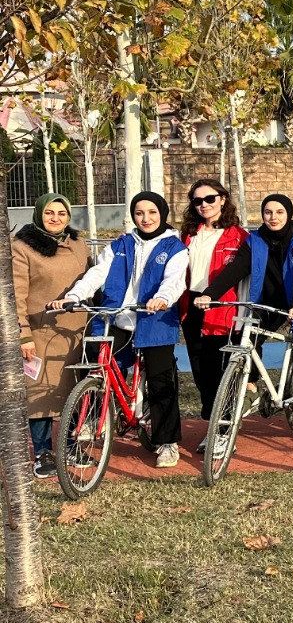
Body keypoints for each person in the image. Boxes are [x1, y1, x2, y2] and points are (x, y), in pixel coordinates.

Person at [53, 193, 188, 468]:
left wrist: (163, 298)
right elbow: (97, 274)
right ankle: (93, 415)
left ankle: (167, 442)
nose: (146, 218)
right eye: (139, 213)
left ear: (162, 213)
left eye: (152, 212)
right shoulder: (121, 244)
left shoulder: (175, 247)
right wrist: (75, 295)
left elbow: (175, 280)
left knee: (162, 380)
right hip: (118, 316)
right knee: (94, 358)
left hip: (155, 318)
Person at [196, 195, 293, 448]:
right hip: (269, 301)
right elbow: (236, 269)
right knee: (247, 337)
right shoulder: (256, 239)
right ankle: (250, 386)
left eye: (279, 212)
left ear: (289, 214)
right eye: (268, 212)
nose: (273, 217)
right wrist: (210, 293)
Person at [13, 194, 90, 479]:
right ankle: (43, 452)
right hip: (41, 333)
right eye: (49, 213)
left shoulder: (78, 245)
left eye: (61, 213)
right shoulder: (22, 248)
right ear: (38, 214)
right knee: (41, 396)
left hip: (76, 331)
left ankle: (70, 444)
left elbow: (92, 279)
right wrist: (23, 335)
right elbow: (16, 296)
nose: (56, 218)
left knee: (73, 392)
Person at [179, 180, 250, 423]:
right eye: (197, 201)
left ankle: (222, 428)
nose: (204, 205)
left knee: (218, 372)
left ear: (222, 199)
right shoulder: (189, 234)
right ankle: (213, 423)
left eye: (210, 199)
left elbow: (243, 279)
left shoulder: (239, 237)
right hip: (192, 307)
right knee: (199, 372)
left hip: (222, 309)